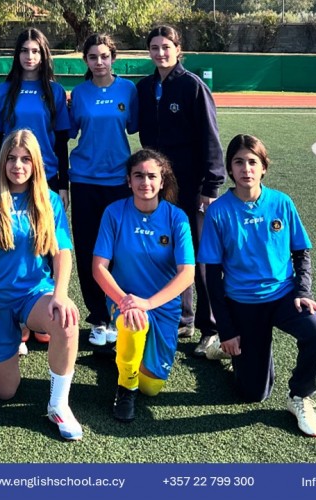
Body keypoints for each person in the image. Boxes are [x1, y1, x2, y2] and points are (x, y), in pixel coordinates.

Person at [197, 134, 316, 437]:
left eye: (252, 162)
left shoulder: (281, 203)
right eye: (238, 162)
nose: (246, 168)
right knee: (253, 394)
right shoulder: (219, 211)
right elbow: (212, 276)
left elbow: (301, 253)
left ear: (263, 168)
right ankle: (228, 345)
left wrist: (303, 293)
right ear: (230, 169)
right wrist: (228, 328)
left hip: (284, 296)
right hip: (242, 304)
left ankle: (300, 396)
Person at [0, 129, 82, 441]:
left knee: (67, 320)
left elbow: (63, 253)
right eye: (12, 159)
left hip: (34, 294)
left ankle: (58, 404)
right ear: (2, 162)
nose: (18, 165)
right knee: (5, 392)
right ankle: (13, 338)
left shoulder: (50, 201)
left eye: (25, 159)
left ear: (35, 164)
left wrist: (60, 295)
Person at [136, 25, 225, 357]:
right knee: (169, 251)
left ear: (178, 49)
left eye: (166, 46)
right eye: (155, 47)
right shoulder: (144, 88)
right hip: (158, 187)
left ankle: (210, 327)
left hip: (191, 186)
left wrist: (211, 186)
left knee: (200, 255)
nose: (161, 52)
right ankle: (182, 318)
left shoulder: (192, 87)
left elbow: (210, 139)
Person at [92, 149, 195, 422]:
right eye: (138, 176)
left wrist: (148, 303)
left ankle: (125, 358)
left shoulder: (177, 218)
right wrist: (127, 301)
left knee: (152, 388)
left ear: (162, 181)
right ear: (128, 180)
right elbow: (99, 267)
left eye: (152, 176)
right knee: (132, 322)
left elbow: (187, 274)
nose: (145, 182)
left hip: (162, 307)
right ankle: (125, 388)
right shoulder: (114, 213)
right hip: (123, 301)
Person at [0, 27, 71, 352]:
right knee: (12, 240)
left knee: (47, 243)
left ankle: (43, 310)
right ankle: (19, 322)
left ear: (43, 55)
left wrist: (61, 184)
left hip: (45, 178)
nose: (30, 57)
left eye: (35, 51)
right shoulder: (4, 90)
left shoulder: (54, 91)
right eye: (24, 51)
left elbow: (61, 140)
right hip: (11, 178)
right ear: (17, 55)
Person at [67, 33, 138, 347]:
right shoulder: (78, 94)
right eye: (93, 57)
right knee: (87, 251)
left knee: (118, 253)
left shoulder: (128, 89)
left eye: (104, 56)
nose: (99, 62)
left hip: (119, 183)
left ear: (114, 58)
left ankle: (118, 312)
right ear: (86, 61)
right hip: (83, 180)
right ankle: (98, 318)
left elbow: (134, 126)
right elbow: (69, 133)